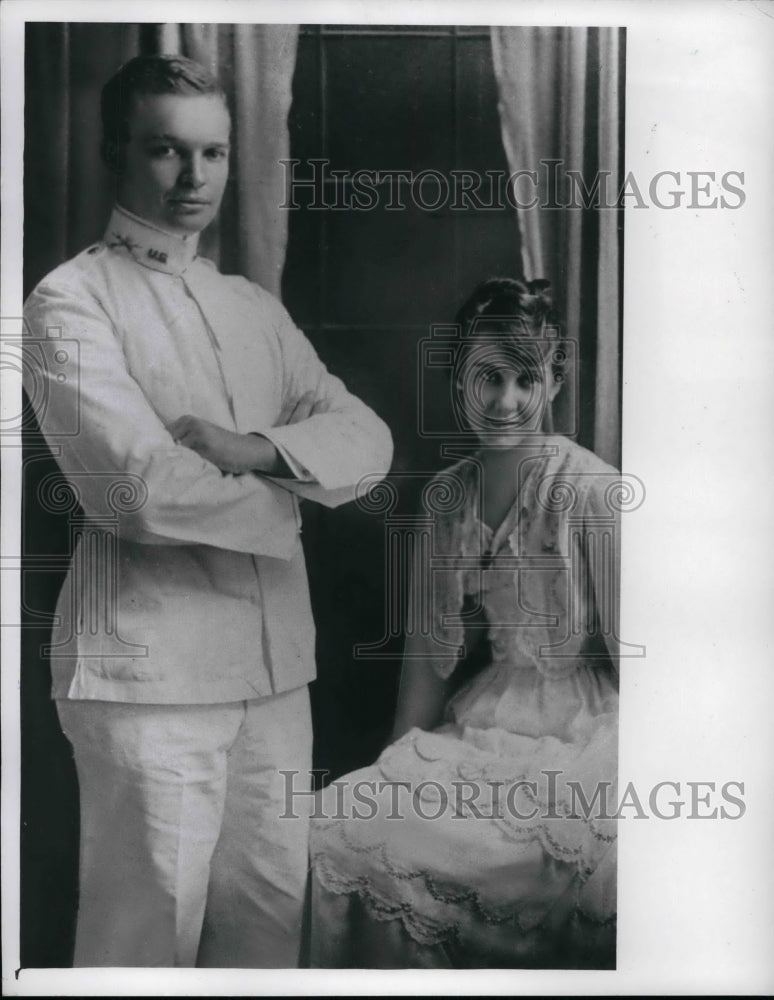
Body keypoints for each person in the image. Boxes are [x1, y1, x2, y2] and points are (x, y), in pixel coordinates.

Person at [22, 54, 393, 968]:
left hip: (274, 672)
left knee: (269, 935)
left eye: (215, 154)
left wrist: (260, 452)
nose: (195, 179)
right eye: (167, 151)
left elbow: (370, 437)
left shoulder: (250, 307)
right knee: (144, 944)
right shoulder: (69, 303)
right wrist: (302, 494)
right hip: (149, 677)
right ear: (118, 153)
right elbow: (142, 493)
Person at [307, 277, 620, 968]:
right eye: (488, 379)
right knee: (337, 825)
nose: (506, 401)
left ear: (554, 382)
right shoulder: (448, 498)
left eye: (524, 378)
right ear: (460, 384)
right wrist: (392, 764)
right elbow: (427, 653)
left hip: (588, 734)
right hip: (484, 724)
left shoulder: (594, 493)